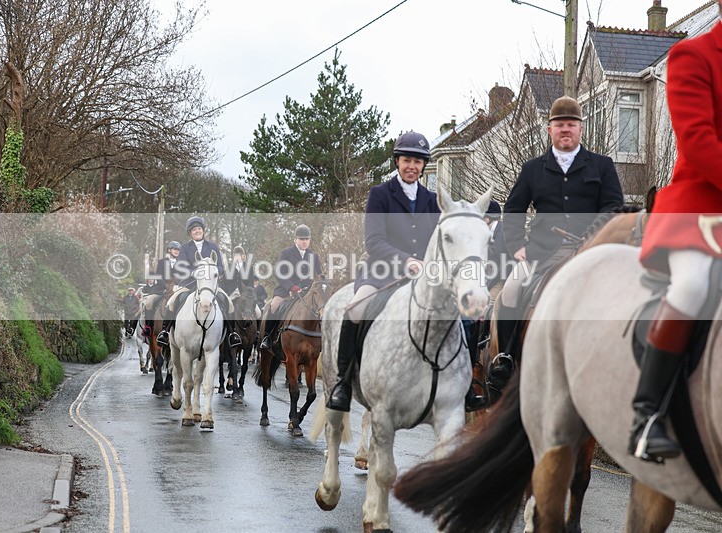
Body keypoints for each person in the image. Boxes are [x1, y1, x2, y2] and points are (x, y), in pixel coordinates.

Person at [326, 131, 486, 412]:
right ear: (398, 162)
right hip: (382, 272)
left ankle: (465, 387)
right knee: (355, 309)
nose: (412, 166)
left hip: (426, 276)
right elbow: (374, 241)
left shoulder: (431, 200)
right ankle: (343, 382)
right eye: (407, 160)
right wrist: (406, 260)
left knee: (467, 319)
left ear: (424, 165)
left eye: (418, 161)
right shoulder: (380, 195)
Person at [630, 10, 722, 463]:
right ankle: (647, 416)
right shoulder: (694, 55)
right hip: (701, 208)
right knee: (694, 283)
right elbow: (699, 142)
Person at [489, 96, 623, 390]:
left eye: (571, 124)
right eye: (559, 124)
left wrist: (594, 234)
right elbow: (512, 210)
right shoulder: (533, 169)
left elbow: (614, 207)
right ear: (549, 129)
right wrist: (517, 247)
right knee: (511, 289)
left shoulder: (602, 166)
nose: (566, 129)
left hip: (589, 251)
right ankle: (505, 357)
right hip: (539, 251)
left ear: (581, 129)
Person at [156, 216, 240, 348]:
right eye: (194, 229)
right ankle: (165, 332)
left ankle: (232, 333)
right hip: (189, 285)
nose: (197, 231)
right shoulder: (184, 248)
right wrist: (194, 272)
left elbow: (220, 267)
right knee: (172, 302)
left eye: (199, 229)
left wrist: (211, 271)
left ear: (203, 230)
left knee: (228, 303)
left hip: (209, 286)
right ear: (190, 232)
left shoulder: (213, 246)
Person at [259, 224, 324, 351]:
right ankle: (267, 337)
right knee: (274, 305)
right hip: (286, 289)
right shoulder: (287, 253)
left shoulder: (313, 256)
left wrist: (323, 281)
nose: (305, 242)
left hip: (307, 291)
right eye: (302, 239)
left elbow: (319, 274)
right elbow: (280, 273)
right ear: (295, 240)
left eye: (307, 239)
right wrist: (291, 287)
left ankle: (321, 338)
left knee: (320, 308)